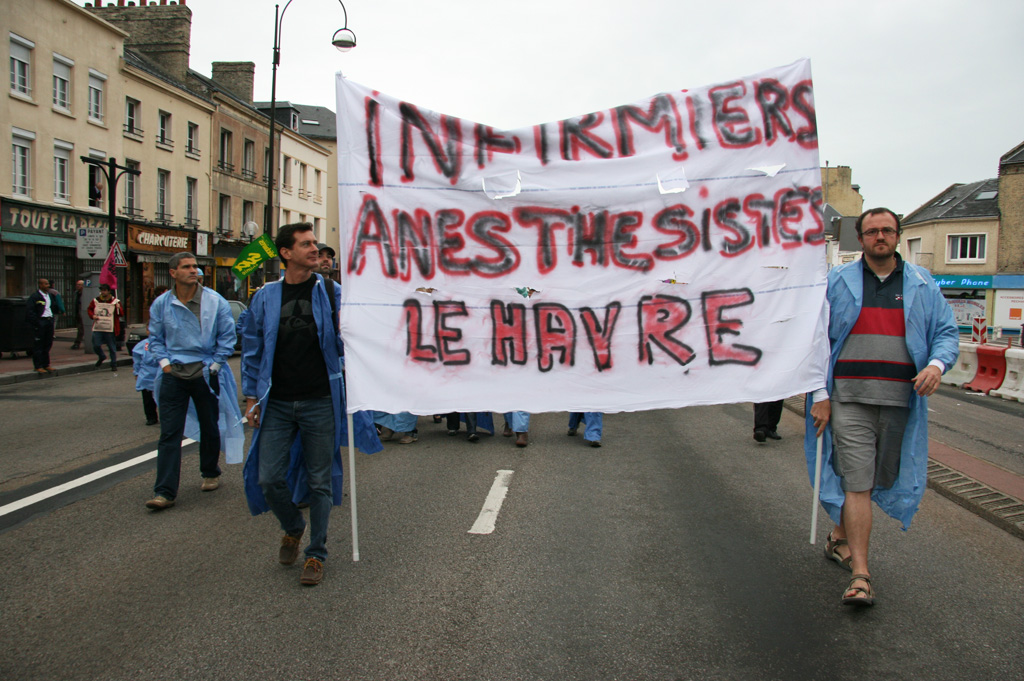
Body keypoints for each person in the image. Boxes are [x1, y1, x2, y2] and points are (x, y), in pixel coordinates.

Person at [805, 207, 958, 608]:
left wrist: (937, 364)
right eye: (871, 231)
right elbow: (816, 339)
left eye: (887, 230)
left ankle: (840, 535)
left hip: (899, 401)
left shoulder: (923, 285)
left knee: (875, 480)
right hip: (848, 399)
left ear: (898, 236)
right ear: (861, 238)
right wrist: (820, 395)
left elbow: (946, 332)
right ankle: (861, 575)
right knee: (857, 480)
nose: (879, 237)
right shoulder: (837, 281)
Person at [241, 223, 381, 586]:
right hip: (278, 402)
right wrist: (251, 396)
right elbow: (254, 348)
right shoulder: (266, 296)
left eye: (315, 243)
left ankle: (316, 553)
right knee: (269, 478)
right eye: (306, 244)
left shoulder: (332, 292)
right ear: (286, 253)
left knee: (320, 482)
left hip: (320, 400)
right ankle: (293, 526)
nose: (315, 249)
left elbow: (351, 339)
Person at [145, 252, 238, 511]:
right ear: (173, 272)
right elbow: (155, 338)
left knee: (210, 425)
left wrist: (216, 363)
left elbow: (227, 335)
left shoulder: (214, 301)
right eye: (187, 267)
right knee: (169, 433)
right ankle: (164, 492)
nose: (193, 271)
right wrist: (164, 365)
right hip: (174, 375)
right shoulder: (162, 304)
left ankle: (210, 471)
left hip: (205, 372)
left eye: (195, 266)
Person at [87, 283, 121, 372]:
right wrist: (92, 316)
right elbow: (90, 309)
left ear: (109, 291)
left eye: (104, 290)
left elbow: (121, 313)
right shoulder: (96, 301)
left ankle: (113, 364)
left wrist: (118, 308)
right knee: (96, 344)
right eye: (101, 290)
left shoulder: (115, 301)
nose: (103, 292)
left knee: (111, 347)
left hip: (110, 328)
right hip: (99, 327)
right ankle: (102, 356)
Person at [25, 278, 56, 374]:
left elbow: (52, 307)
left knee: (48, 343)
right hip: (41, 322)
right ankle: (38, 366)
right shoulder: (35, 297)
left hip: (49, 321)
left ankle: (46, 364)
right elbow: (30, 311)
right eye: (46, 284)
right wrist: (36, 322)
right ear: (40, 285)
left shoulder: (50, 296)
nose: (48, 286)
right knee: (39, 345)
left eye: (48, 284)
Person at [132, 338, 160, 426]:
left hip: (160, 373)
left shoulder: (165, 341)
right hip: (146, 375)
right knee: (148, 398)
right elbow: (137, 359)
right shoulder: (143, 344)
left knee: (163, 398)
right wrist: (136, 372)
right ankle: (151, 417)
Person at [71, 280, 85, 349]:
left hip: (83, 314)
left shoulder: (85, 293)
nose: (77, 286)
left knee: (81, 329)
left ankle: (77, 342)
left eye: (79, 285)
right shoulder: (76, 293)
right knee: (80, 329)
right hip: (77, 313)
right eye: (77, 284)